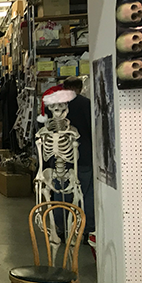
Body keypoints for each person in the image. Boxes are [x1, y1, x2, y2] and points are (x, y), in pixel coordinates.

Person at [58, 76, 94, 235]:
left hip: (61, 157)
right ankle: (86, 229)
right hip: (84, 155)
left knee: (61, 193)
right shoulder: (86, 104)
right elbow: (92, 128)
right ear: (79, 88)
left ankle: (61, 228)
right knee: (86, 193)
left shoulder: (55, 104)